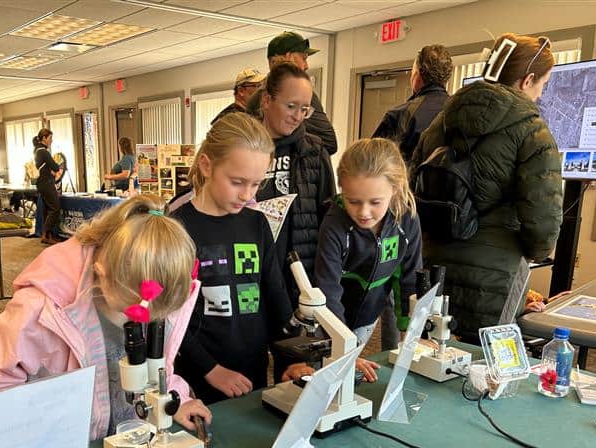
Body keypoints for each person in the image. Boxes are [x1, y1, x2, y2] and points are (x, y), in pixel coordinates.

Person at [0, 194, 212, 439]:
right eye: (134, 312)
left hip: (125, 432)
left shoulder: (149, 292)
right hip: (57, 438)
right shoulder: (40, 308)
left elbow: (157, 366)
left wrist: (172, 399)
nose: (143, 323)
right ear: (101, 273)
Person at [412, 33, 563, 341]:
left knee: (435, 351)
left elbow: (412, 183)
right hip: (497, 268)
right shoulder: (532, 132)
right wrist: (536, 252)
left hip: (436, 256)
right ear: (527, 79)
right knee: (488, 359)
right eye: (542, 85)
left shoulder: (441, 122)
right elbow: (542, 214)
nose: (539, 95)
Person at [172, 113, 311, 403]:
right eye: (237, 182)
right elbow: (168, 316)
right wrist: (210, 369)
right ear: (207, 165)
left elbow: (275, 297)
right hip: (198, 376)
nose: (246, 194)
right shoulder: (177, 229)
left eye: (255, 184)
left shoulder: (256, 223)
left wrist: (290, 360)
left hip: (252, 368)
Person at [314, 138, 423, 383]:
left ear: (394, 189)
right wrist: (344, 350)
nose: (364, 212)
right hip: (330, 318)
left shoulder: (407, 219)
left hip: (367, 317)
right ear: (341, 187)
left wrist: (411, 332)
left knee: (352, 380)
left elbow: (409, 279)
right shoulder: (334, 225)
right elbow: (328, 291)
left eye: (375, 202)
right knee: (327, 377)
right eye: (353, 201)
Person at [370, 44, 452, 351]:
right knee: (435, 293)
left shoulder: (401, 114)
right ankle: (433, 349)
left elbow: (373, 164)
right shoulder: (462, 113)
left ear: (416, 76)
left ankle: (397, 352)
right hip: (451, 223)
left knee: (398, 288)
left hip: (404, 213)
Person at [257, 62, 336, 305]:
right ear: (267, 101)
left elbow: (328, 218)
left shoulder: (314, 152)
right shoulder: (243, 149)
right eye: (291, 106)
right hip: (253, 270)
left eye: (304, 109)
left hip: (299, 275)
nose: (298, 117)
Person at [246, 31, 338, 155]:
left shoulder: (254, 99)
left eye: (304, 110)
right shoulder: (303, 95)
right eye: (303, 58)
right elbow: (329, 143)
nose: (306, 66)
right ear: (289, 57)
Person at [372, 44, 453, 166]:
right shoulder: (460, 111)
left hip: (409, 184)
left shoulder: (401, 115)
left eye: (412, 71)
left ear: (417, 75)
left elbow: (371, 162)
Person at [33, 128, 63, 244]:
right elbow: (55, 166)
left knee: (47, 209)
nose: (52, 140)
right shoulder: (43, 152)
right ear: (44, 138)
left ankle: (47, 235)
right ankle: (46, 234)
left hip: (42, 183)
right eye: (50, 138)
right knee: (55, 208)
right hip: (46, 183)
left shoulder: (36, 150)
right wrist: (57, 168)